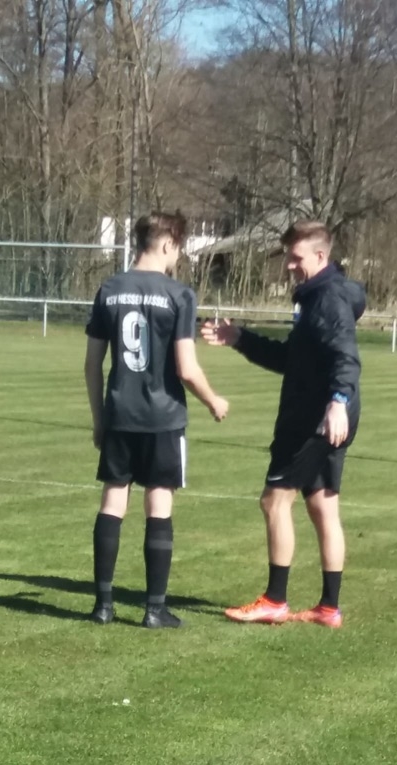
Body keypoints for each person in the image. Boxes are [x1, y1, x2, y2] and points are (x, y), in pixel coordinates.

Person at [201, 220, 365, 628]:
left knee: (274, 501)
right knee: (323, 505)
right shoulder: (318, 297)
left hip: (314, 419)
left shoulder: (327, 299)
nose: (289, 265)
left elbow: (346, 357)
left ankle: (274, 600)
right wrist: (241, 338)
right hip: (329, 415)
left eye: (296, 258)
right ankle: (328, 608)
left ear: (321, 256)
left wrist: (338, 401)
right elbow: (290, 360)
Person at [85, 210, 229, 628]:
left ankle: (103, 606)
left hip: (119, 414)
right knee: (159, 503)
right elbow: (186, 368)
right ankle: (154, 609)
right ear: (168, 244)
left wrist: (100, 419)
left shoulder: (109, 289)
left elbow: (92, 365)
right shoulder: (178, 294)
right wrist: (213, 401)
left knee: (113, 501)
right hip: (163, 417)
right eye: (178, 249)